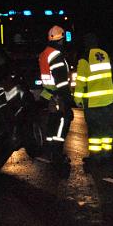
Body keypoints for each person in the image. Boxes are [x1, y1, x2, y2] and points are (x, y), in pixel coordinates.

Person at [73, 33, 113, 165]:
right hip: (108, 99)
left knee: (95, 130)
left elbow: (80, 81)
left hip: (93, 101)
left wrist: (77, 98)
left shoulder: (85, 58)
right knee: (106, 128)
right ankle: (107, 154)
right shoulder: (104, 54)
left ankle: (96, 157)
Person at [39, 25, 73, 164]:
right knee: (63, 121)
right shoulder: (56, 55)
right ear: (61, 39)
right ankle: (57, 153)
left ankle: (50, 150)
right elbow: (61, 82)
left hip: (49, 95)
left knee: (53, 123)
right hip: (58, 96)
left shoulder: (45, 53)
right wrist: (67, 101)